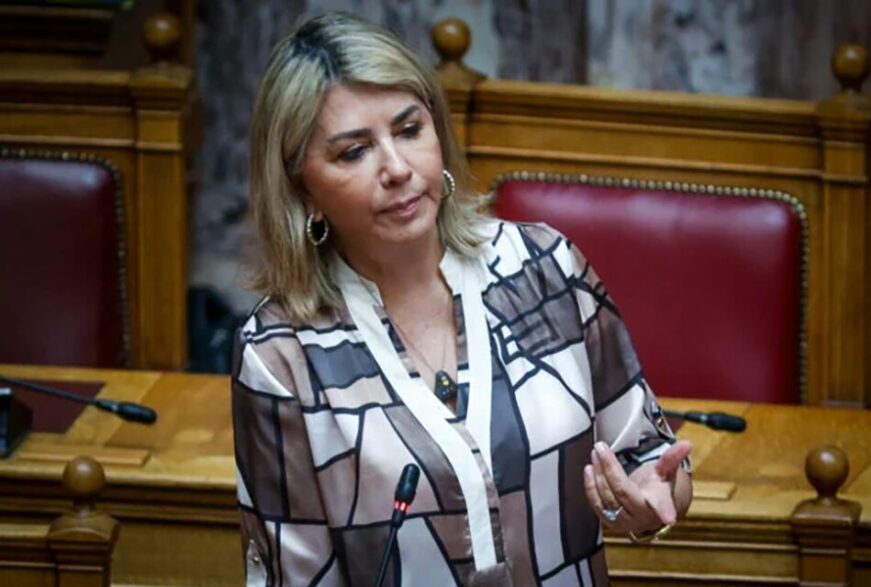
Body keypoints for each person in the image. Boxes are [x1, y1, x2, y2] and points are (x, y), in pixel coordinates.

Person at [232, 12, 692, 587]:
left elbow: (648, 455)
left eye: (409, 130)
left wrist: (653, 496)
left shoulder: (544, 268)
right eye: (354, 152)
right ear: (304, 191)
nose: (398, 168)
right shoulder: (281, 356)